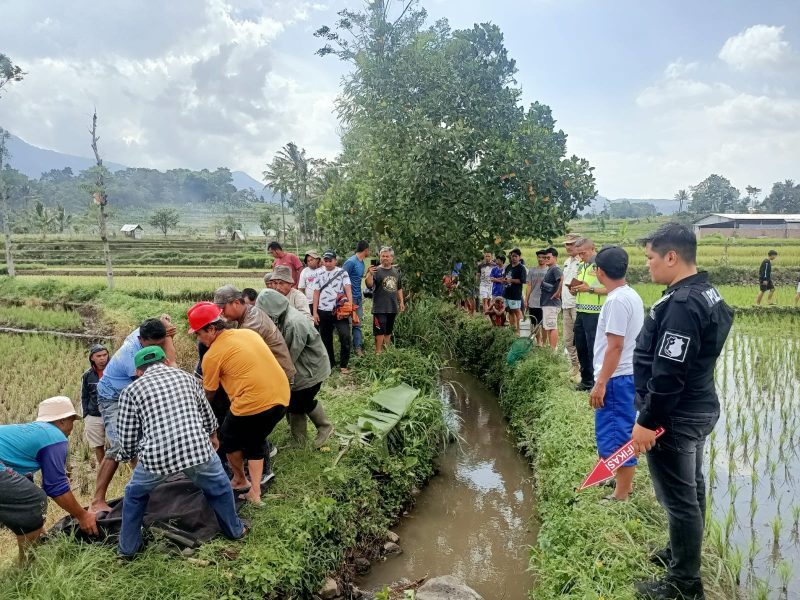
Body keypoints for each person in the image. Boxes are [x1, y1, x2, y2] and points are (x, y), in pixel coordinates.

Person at [631, 223, 733, 600]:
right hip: (697, 406)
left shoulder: (683, 305)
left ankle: (684, 584)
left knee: (678, 499)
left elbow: (669, 373)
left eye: (651, 258)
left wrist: (648, 421)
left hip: (675, 416)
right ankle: (680, 553)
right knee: (692, 487)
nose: (648, 265)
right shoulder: (707, 292)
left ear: (671, 257)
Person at [116, 347, 246, 558]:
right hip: (197, 448)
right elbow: (206, 412)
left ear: (139, 371)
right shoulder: (187, 378)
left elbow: (127, 435)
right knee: (221, 487)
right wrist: (212, 435)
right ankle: (235, 531)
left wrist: (130, 456)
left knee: (134, 495)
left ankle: (128, 550)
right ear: (166, 361)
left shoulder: (131, 391)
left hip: (157, 457)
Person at [189, 302, 291, 505]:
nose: (199, 338)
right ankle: (255, 491)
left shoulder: (212, 356)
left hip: (253, 403)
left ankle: (239, 480)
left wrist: (198, 412)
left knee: (227, 437)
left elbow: (209, 393)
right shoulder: (247, 333)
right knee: (255, 439)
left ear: (211, 329)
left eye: (199, 333)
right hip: (282, 396)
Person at [91, 317, 177, 513]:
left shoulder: (149, 331)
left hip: (131, 392)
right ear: (141, 339)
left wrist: (167, 329)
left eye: (160, 344)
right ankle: (97, 501)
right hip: (113, 398)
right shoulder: (131, 355)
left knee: (143, 443)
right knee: (120, 445)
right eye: (152, 345)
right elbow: (151, 381)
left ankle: (148, 491)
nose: (156, 350)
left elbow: (163, 325)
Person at [0, 396, 98, 563]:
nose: (72, 428)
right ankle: (27, 566)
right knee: (34, 500)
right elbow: (56, 488)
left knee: (27, 500)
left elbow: (22, 484)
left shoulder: (34, 433)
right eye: (71, 421)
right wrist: (82, 516)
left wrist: (37, 525)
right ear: (61, 421)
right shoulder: (54, 436)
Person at [588, 246, 644, 502]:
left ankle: (621, 494)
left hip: (616, 378)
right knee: (617, 430)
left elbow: (615, 346)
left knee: (616, 434)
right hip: (624, 375)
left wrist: (601, 383)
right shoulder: (629, 295)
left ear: (599, 271)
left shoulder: (616, 301)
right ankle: (621, 481)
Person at [257, 289, 334, 448]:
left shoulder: (293, 323)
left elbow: (289, 354)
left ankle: (325, 427)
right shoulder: (283, 315)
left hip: (310, 369)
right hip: (302, 367)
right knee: (294, 402)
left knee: (302, 401)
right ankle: (298, 439)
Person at [213, 284, 297, 384]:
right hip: (271, 373)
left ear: (236, 303)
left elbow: (238, 356)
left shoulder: (253, 324)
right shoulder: (246, 312)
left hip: (280, 378)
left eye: (222, 309)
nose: (221, 313)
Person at [569, 238, 607, 391]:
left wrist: (589, 289)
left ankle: (596, 383)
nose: (580, 256)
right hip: (581, 311)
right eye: (578, 254)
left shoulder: (602, 265)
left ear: (593, 249)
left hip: (595, 313)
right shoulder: (582, 265)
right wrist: (574, 290)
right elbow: (582, 286)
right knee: (581, 347)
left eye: (583, 253)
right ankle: (586, 381)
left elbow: (611, 288)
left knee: (594, 349)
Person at [312, 250, 354, 374]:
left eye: (330, 260)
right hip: (323, 311)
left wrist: (350, 307)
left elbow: (348, 290)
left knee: (345, 336)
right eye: (326, 260)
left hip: (339, 311)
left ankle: (343, 365)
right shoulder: (318, 273)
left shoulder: (342, 273)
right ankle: (330, 363)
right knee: (326, 338)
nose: (328, 263)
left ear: (335, 261)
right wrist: (315, 312)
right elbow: (316, 293)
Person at [365, 246, 405, 354]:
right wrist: (369, 274)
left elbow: (399, 288)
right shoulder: (376, 270)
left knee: (388, 331)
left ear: (392, 258)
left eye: (387, 256)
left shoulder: (396, 272)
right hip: (379, 307)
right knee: (379, 331)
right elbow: (369, 285)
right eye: (383, 256)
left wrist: (401, 302)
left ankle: (386, 352)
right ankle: (378, 353)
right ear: (380, 257)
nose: (385, 258)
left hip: (392, 306)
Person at [80, 343, 109, 465]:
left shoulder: (114, 371)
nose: (102, 358)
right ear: (92, 358)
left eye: (105, 355)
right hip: (94, 415)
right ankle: (102, 469)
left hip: (112, 414)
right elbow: (84, 396)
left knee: (115, 445)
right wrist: (86, 415)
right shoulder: (87, 375)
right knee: (98, 446)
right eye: (99, 356)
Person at [560, 233, 582, 374]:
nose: (568, 247)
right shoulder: (567, 261)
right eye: (566, 244)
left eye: (571, 244)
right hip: (566, 304)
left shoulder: (583, 262)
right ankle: (574, 366)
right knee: (568, 339)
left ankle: (582, 369)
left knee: (579, 338)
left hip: (577, 305)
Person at [343, 241, 370, 357]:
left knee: (357, 324)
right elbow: (341, 278)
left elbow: (358, 278)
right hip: (349, 299)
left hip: (358, 298)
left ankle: (358, 347)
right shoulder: (351, 262)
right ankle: (346, 348)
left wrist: (368, 272)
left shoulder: (361, 262)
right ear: (366, 250)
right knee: (347, 325)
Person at [539, 247, 562, 350]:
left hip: (552, 303)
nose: (546, 259)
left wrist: (558, 293)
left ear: (555, 257)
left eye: (548, 257)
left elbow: (562, 279)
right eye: (545, 257)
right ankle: (551, 349)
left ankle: (553, 351)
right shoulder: (550, 269)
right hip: (547, 303)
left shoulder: (555, 269)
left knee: (552, 327)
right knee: (549, 326)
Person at [526, 250, 548, 344]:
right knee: (534, 322)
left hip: (545, 301)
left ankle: (544, 342)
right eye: (539, 257)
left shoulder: (549, 270)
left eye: (543, 257)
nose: (541, 259)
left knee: (544, 323)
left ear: (546, 258)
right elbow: (529, 286)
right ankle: (538, 341)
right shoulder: (532, 270)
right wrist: (526, 299)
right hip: (533, 301)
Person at [503, 249, 526, 334]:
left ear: (519, 257)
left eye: (516, 256)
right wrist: (504, 280)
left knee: (517, 311)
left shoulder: (521, 268)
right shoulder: (508, 267)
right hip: (507, 293)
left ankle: (520, 331)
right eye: (512, 256)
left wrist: (511, 280)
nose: (514, 258)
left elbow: (522, 280)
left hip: (515, 294)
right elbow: (505, 277)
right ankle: (513, 330)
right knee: (510, 311)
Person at [478, 250, 496, 317]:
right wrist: (478, 282)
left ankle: (488, 315)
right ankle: (486, 316)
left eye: (488, 256)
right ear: (484, 256)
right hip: (483, 284)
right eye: (486, 256)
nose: (487, 257)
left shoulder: (495, 265)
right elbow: (478, 275)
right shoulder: (480, 265)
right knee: (484, 299)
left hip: (491, 285)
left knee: (489, 301)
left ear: (491, 257)